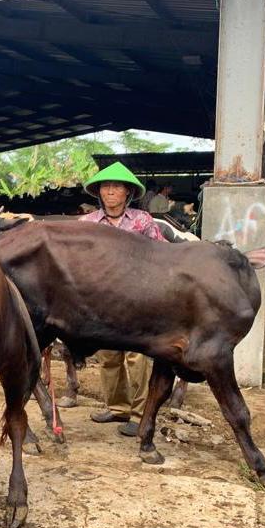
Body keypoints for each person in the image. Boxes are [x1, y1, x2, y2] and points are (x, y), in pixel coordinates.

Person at [75, 162, 165, 437]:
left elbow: (163, 254)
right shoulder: (86, 224)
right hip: (101, 302)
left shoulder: (143, 221)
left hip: (137, 300)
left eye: (116, 187)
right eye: (105, 186)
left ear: (128, 192)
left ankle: (139, 414)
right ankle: (117, 407)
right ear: (99, 192)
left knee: (137, 358)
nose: (110, 191)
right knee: (109, 357)